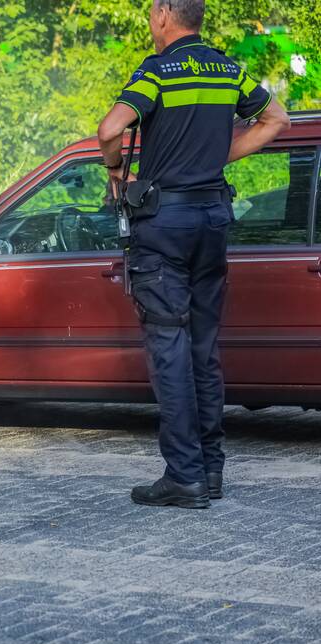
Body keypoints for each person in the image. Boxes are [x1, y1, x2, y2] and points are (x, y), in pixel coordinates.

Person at [97, 0, 290, 508]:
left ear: (163, 14)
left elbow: (110, 129)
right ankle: (210, 472)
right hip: (212, 219)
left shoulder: (158, 71)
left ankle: (184, 476)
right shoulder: (227, 69)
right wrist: (214, 156)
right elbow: (275, 119)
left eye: (149, 13)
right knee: (203, 346)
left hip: (165, 225)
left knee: (169, 346)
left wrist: (116, 170)